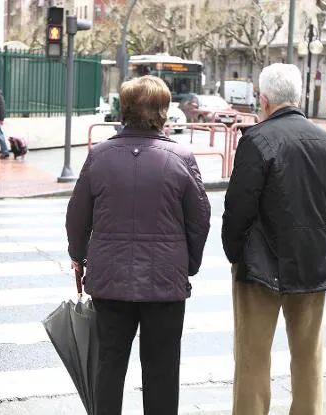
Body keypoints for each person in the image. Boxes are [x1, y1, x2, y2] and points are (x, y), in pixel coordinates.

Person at [65, 75, 211, 415]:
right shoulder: (181, 157)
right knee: (162, 369)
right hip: (165, 284)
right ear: (163, 112)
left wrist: (79, 256)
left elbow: (77, 215)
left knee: (109, 366)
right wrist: (189, 264)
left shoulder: (98, 156)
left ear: (124, 110)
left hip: (109, 282)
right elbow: (199, 219)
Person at [221, 63, 326, 415]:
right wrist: (319, 245)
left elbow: (237, 209)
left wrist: (236, 254)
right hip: (311, 264)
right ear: (300, 96)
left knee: (252, 359)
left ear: (263, 100)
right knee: (308, 359)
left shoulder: (257, 140)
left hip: (260, 267)